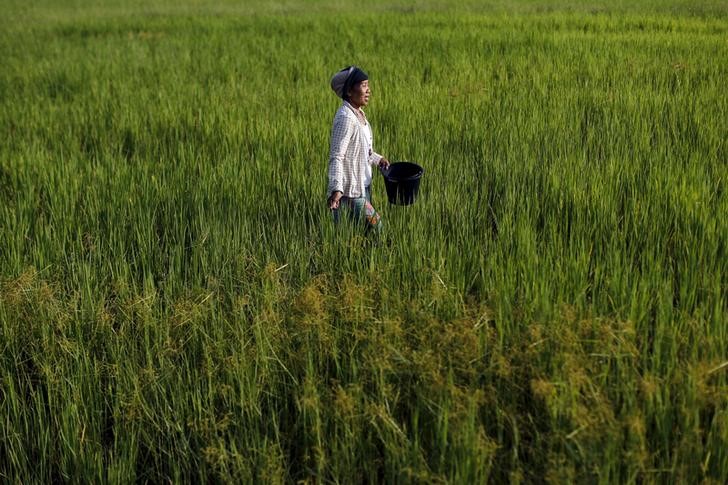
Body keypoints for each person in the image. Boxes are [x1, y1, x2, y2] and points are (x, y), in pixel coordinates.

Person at [327, 66, 390, 233]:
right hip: (352, 191)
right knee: (378, 228)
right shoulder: (346, 118)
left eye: (368, 84)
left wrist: (378, 159)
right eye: (363, 85)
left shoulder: (359, 114)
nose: (368, 90)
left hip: (363, 186)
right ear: (349, 91)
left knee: (361, 231)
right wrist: (336, 188)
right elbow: (337, 156)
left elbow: (363, 151)